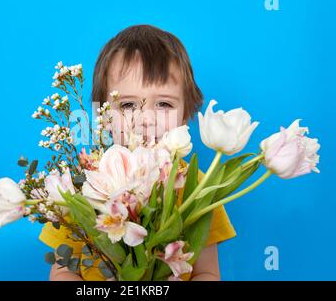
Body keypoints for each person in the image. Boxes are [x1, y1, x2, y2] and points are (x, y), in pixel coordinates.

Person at [40, 24, 236, 281]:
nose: (145, 119)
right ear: (104, 117)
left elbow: (207, 273)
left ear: (187, 115)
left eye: (164, 104)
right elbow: (63, 271)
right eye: (128, 105)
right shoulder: (82, 186)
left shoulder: (199, 189)